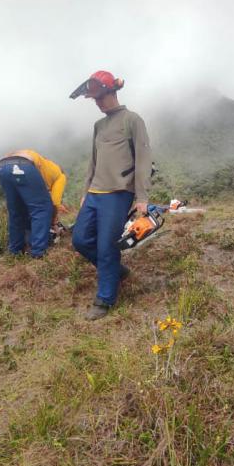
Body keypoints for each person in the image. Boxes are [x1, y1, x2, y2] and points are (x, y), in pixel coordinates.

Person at [70, 70, 152, 321]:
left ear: (113, 92)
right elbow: (93, 161)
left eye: (100, 98)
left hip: (118, 192)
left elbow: (143, 159)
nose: (97, 103)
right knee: (80, 239)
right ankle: (116, 271)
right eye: (94, 99)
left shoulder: (132, 120)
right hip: (95, 192)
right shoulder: (99, 125)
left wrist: (142, 197)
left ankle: (105, 299)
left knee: (106, 246)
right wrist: (85, 191)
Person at [0, 149, 67, 258]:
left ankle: (15, 250)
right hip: (23, 165)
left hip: (2, 167)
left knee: (16, 212)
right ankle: (38, 252)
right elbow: (54, 204)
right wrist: (52, 221)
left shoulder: (43, 166)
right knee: (42, 208)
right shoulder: (60, 176)